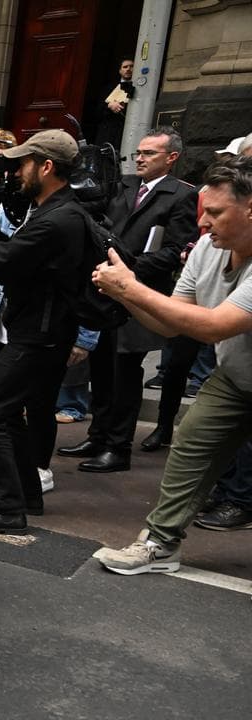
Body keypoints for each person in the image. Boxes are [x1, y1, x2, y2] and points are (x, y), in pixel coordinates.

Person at [91, 155, 252, 573]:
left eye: (215, 213)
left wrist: (131, 287)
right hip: (238, 377)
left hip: (233, 363)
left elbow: (214, 326)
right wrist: (126, 294)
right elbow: (170, 321)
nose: (203, 224)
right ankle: (161, 544)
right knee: (192, 446)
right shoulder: (207, 248)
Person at [0, 129, 87, 533]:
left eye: (23, 164)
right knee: (10, 413)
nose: (15, 172)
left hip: (39, 335)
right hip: (42, 331)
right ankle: (26, 495)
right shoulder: (54, 210)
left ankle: (7, 508)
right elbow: (11, 257)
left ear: (46, 167)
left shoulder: (57, 219)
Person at [58, 127, 197, 473]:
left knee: (125, 372)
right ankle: (99, 434)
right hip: (107, 293)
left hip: (139, 294)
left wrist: (129, 269)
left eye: (149, 153)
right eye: (138, 152)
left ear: (171, 158)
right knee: (102, 369)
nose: (140, 158)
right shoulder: (124, 186)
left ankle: (118, 447)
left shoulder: (179, 195)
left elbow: (175, 250)